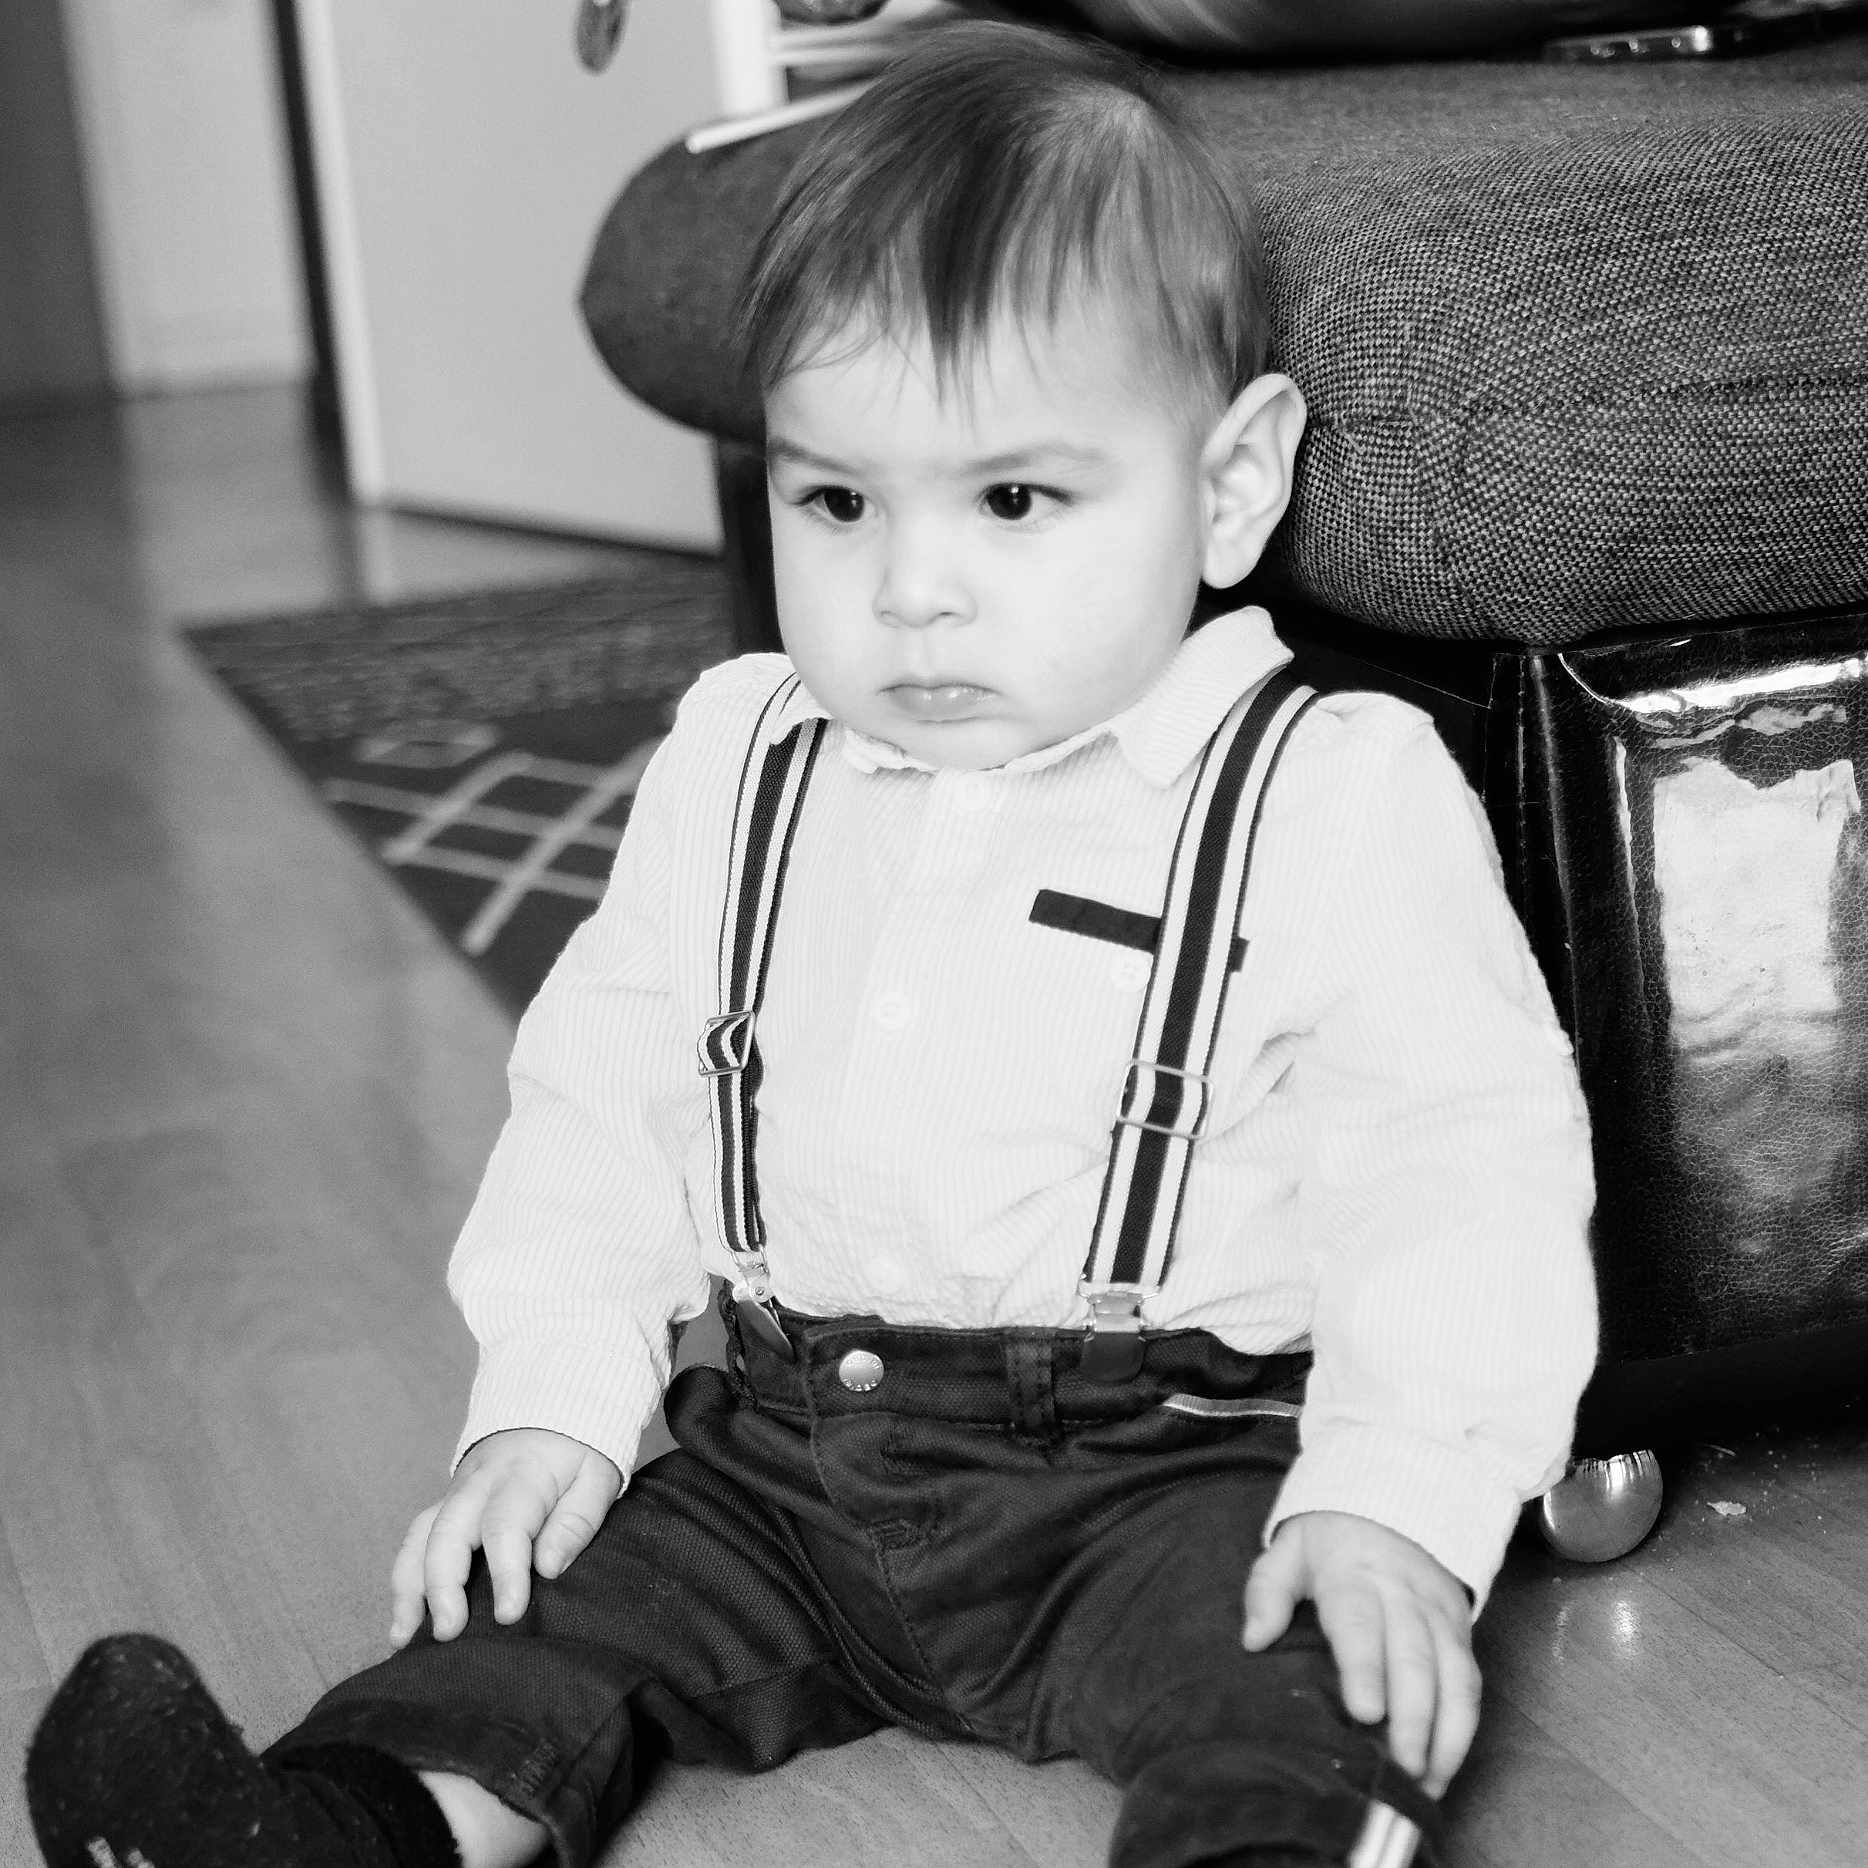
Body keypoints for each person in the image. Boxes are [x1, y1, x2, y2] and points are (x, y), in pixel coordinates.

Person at [24, 21, 1596, 1868]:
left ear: (1232, 485)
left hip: (1181, 1474)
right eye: (835, 500)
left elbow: (1459, 1164)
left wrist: (1400, 1497)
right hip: (785, 1457)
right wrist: (547, 1409)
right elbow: (604, 1091)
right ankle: (328, 1835)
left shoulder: (1328, 792)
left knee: (1303, 1669)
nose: (906, 587)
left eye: (1013, 499)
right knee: (526, 1625)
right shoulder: (738, 754)